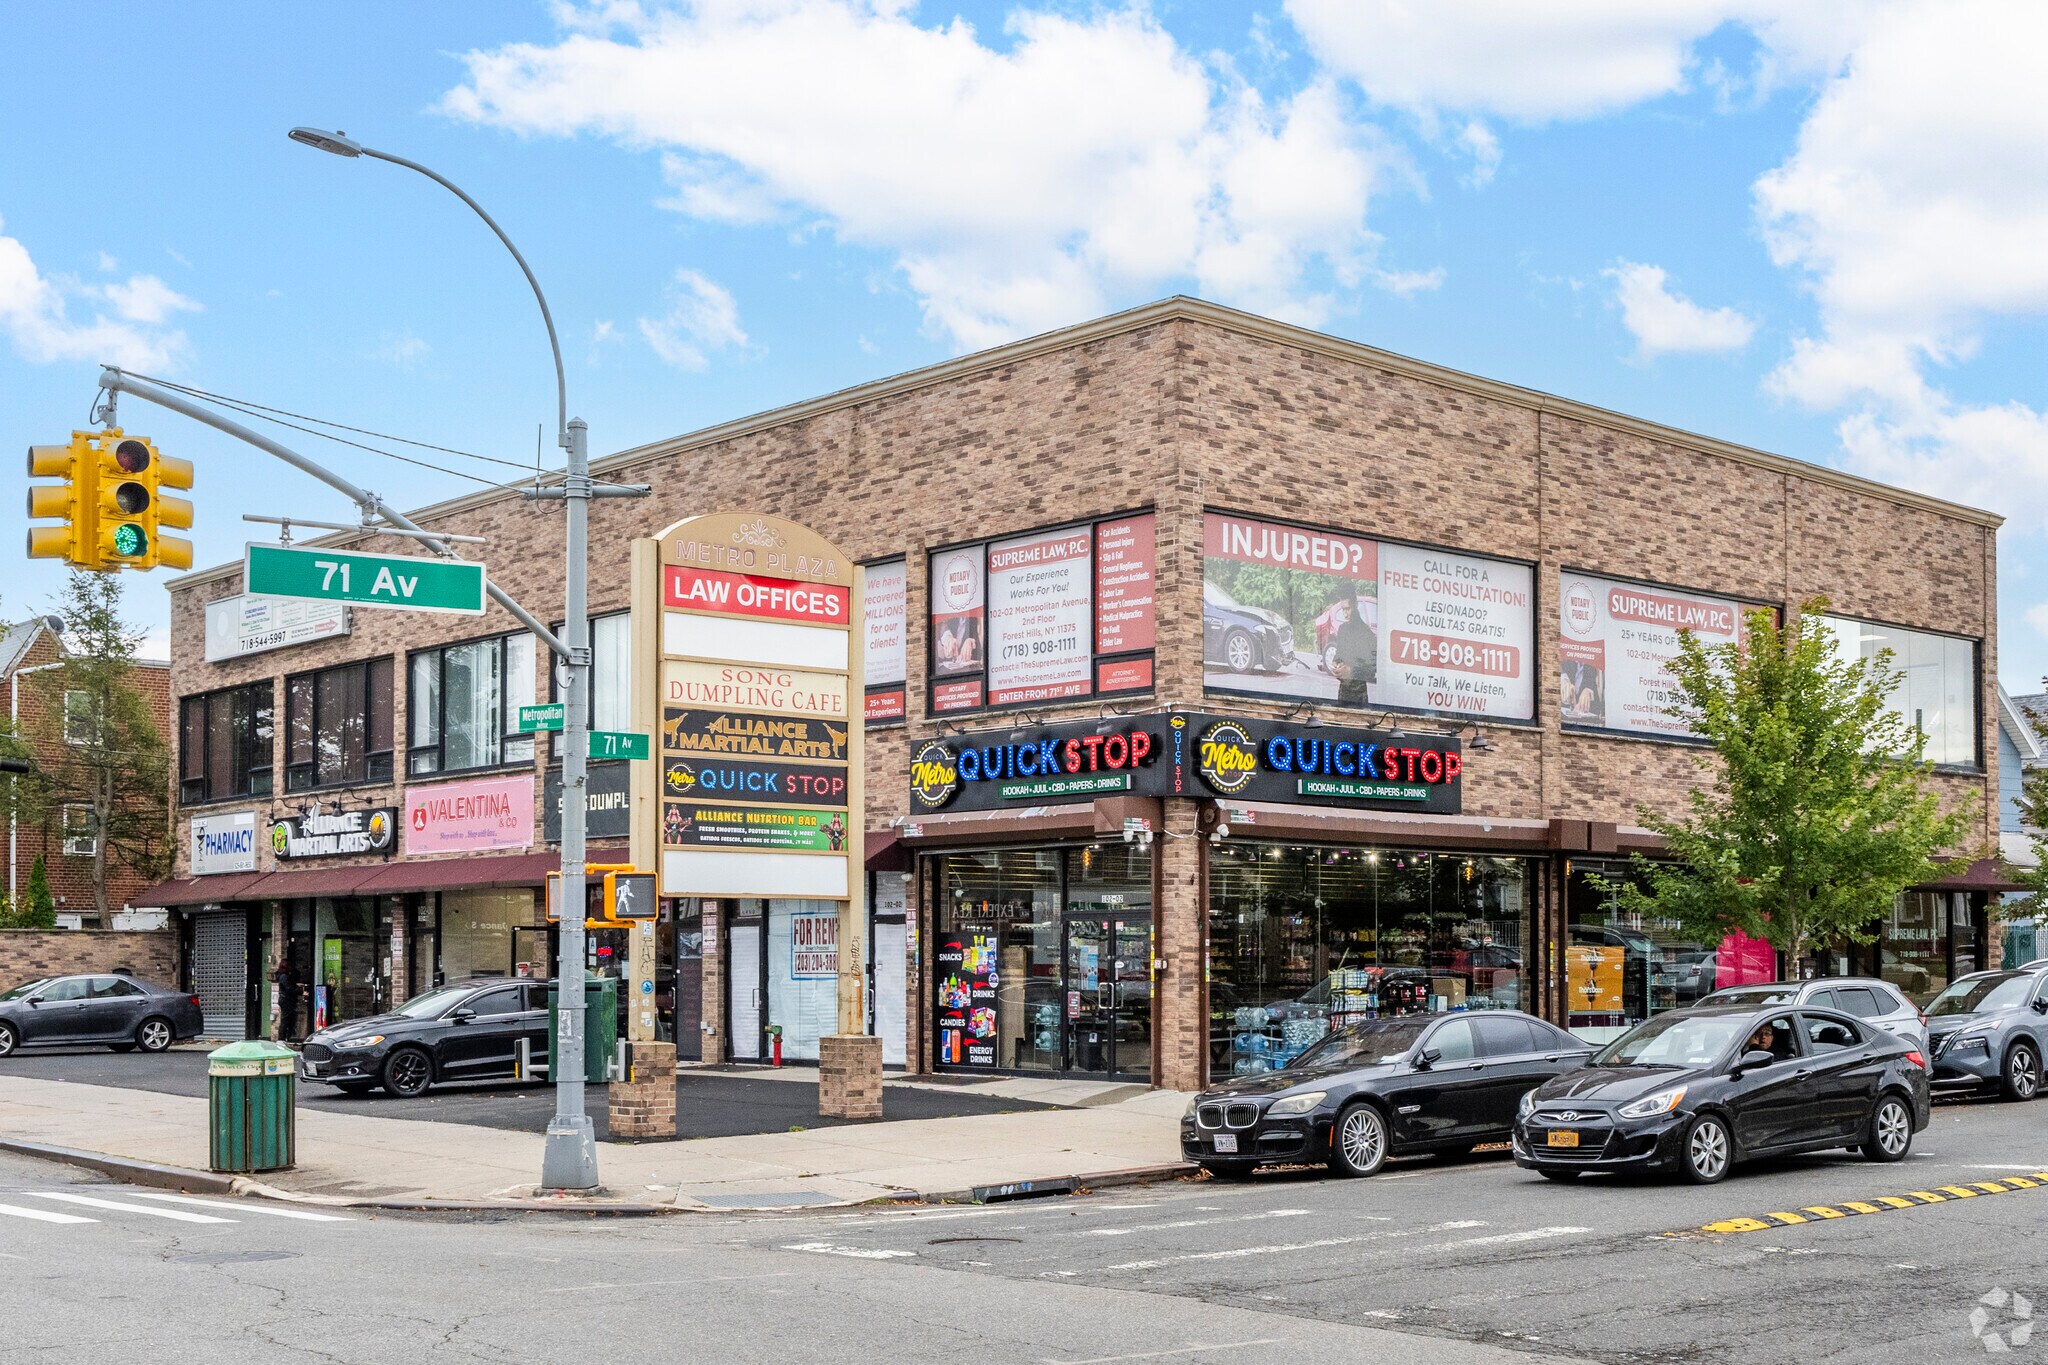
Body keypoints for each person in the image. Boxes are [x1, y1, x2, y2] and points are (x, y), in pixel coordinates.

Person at [1327, 582, 1378, 706]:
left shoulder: (1366, 633)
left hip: (1359, 696)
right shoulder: (1343, 629)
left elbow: (1371, 671)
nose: (1345, 614)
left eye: (1348, 609)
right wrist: (1335, 665)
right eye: (1343, 609)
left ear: (1355, 605)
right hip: (1343, 692)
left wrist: (1350, 671)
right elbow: (1339, 655)